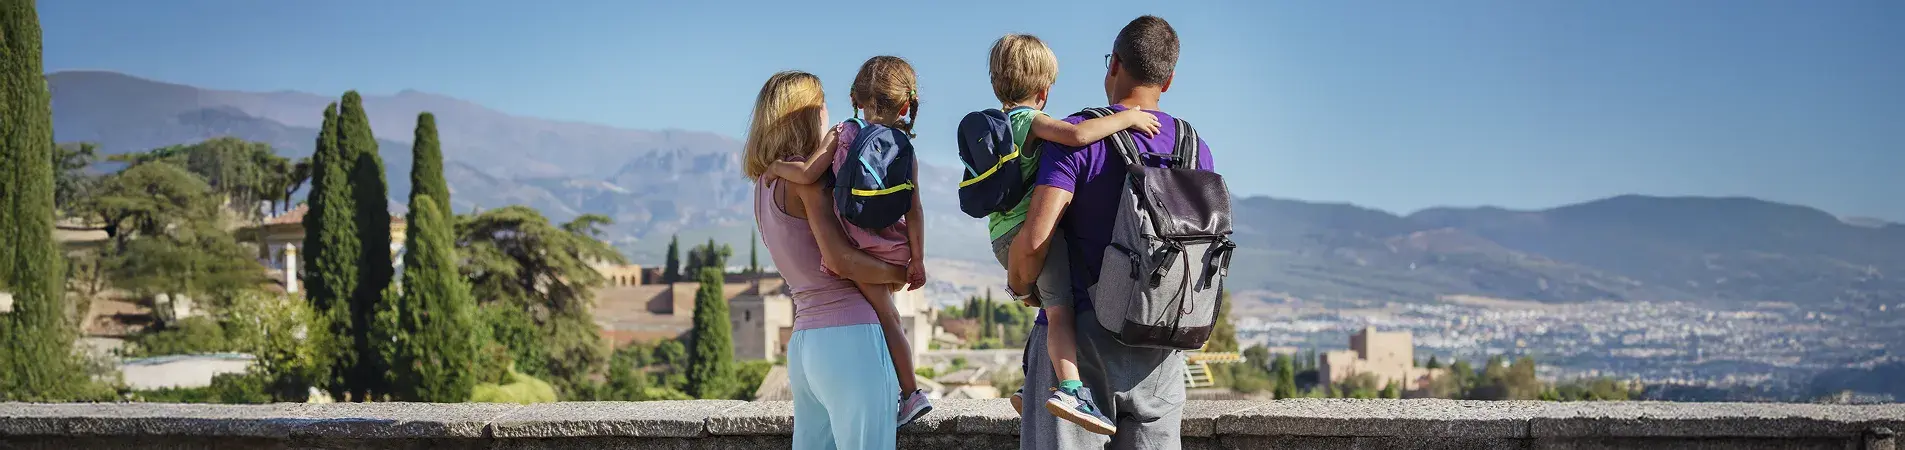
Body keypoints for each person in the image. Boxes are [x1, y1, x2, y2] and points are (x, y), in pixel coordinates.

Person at [1008, 16, 1213, 450]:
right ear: (1169, 80)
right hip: (1161, 345)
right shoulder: (1195, 147)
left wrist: (1019, 286)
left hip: (1080, 345)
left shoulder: (1077, 137)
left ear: (1114, 64)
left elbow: (1033, 242)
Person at [982, 34, 1162, 436]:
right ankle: (1070, 389)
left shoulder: (995, 125)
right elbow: (1077, 136)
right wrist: (1128, 118)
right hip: (1028, 235)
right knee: (1059, 312)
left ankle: (1031, 381)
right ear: (1044, 90)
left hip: (1000, 235)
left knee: (1046, 299)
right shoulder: (1028, 121)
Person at [761, 56, 934, 427]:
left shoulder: (843, 133)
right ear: (906, 104)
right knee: (891, 315)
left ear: (855, 98)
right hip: (896, 245)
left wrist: (776, 166)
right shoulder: (905, 148)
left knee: (887, 315)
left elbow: (808, 174)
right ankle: (912, 391)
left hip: (858, 248)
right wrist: (915, 261)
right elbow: (915, 209)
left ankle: (912, 393)